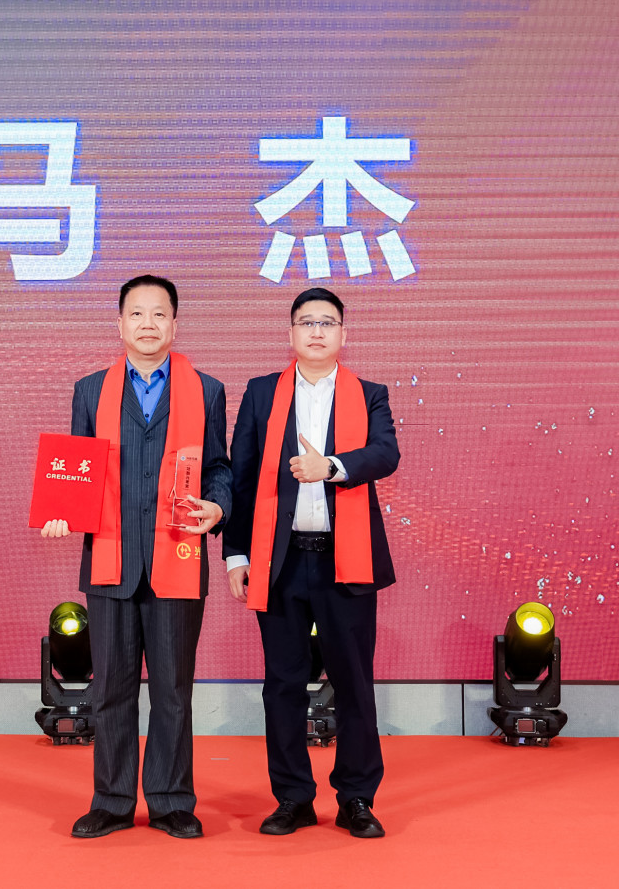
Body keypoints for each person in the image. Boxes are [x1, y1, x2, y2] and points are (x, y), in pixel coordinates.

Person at [40, 275, 231, 839]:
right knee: (110, 690)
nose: (148, 324)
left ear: (175, 324)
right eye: (137, 314)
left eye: (159, 314)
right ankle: (113, 800)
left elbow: (219, 468)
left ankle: (172, 801)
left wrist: (218, 506)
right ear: (119, 323)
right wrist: (61, 510)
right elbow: (76, 467)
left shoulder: (208, 391)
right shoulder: (89, 391)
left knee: (173, 691)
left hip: (179, 556)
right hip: (111, 560)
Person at [223, 286, 400, 838]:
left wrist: (333, 467)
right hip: (278, 561)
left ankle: (356, 798)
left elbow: (386, 454)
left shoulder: (370, 394)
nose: (317, 331)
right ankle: (293, 797)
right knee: (283, 683)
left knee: (354, 683)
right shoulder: (261, 393)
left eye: (327, 322)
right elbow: (241, 475)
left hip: (346, 561)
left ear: (344, 334)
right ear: (291, 333)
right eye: (306, 322)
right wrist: (235, 554)